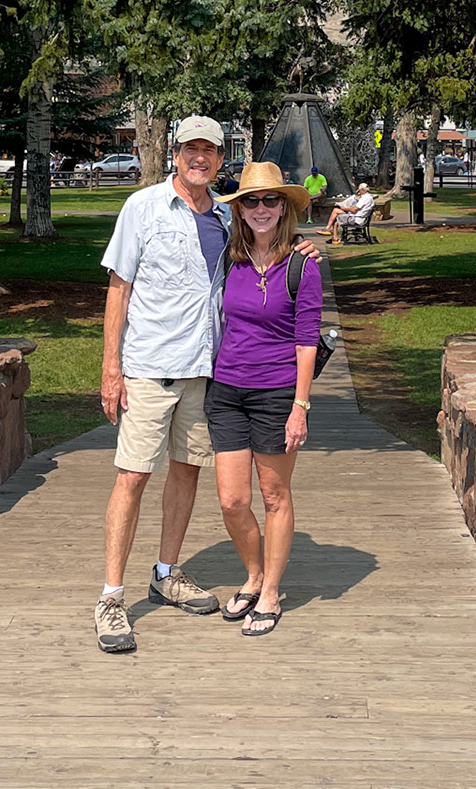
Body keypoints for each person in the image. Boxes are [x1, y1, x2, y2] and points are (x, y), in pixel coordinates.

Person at [92, 118, 320, 653]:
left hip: (206, 376)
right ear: (175, 153)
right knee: (131, 478)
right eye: (190, 149)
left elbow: (272, 253)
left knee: (186, 475)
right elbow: (117, 289)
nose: (200, 158)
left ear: (221, 159)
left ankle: (166, 571)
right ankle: (110, 596)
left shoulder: (224, 217)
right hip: (148, 370)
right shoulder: (142, 208)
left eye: (210, 151)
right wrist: (110, 367)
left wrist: (304, 248)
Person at [208, 162, 321, 638]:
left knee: (275, 495)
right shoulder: (227, 258)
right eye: (251, 201)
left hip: (277, 393)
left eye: (270, 200)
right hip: (227, 390)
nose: (260, 209)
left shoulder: (303, 263)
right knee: (233, 500)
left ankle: (270, 591)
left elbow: (307, 338)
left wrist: (301, 406)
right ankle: (253, 575)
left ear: (284, 207)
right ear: (239, 209)